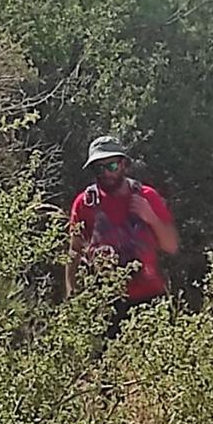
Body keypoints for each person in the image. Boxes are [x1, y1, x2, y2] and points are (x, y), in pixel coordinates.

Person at [65, 135, 179, 328]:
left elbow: (171, 246)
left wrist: (150, 216)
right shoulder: (85, 204)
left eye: (112, 167)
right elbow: (74, 253)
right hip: (104, 303)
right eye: (98, 169)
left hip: (149, 301)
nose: (106, 174)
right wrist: (72, 296)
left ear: (124, 165)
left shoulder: (147, 197)